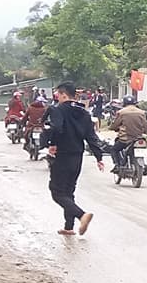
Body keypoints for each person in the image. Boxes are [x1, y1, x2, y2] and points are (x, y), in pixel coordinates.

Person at [43, 82, 106, 235]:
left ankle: (81, 215)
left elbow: (56, 128)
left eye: (58, 94)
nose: (57, 97)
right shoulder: (83, 112)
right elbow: (91, 136)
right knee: (69, 191)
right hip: (77, 156)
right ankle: (68, 227)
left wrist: (52, 143)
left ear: (64, 94)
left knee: (57, 192)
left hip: (63, 155)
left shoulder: (57, 110)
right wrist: (99, 156)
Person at [110, 97, 147, 166]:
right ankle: (143, 164)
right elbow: (146, 126)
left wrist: (112, 128)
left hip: (125, 139)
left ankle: (117, 165)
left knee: (114, 150)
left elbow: (115, 125)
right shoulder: (142, 112)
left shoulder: (121, 112)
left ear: (124, 103)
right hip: (138, 138)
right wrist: (145, 132)